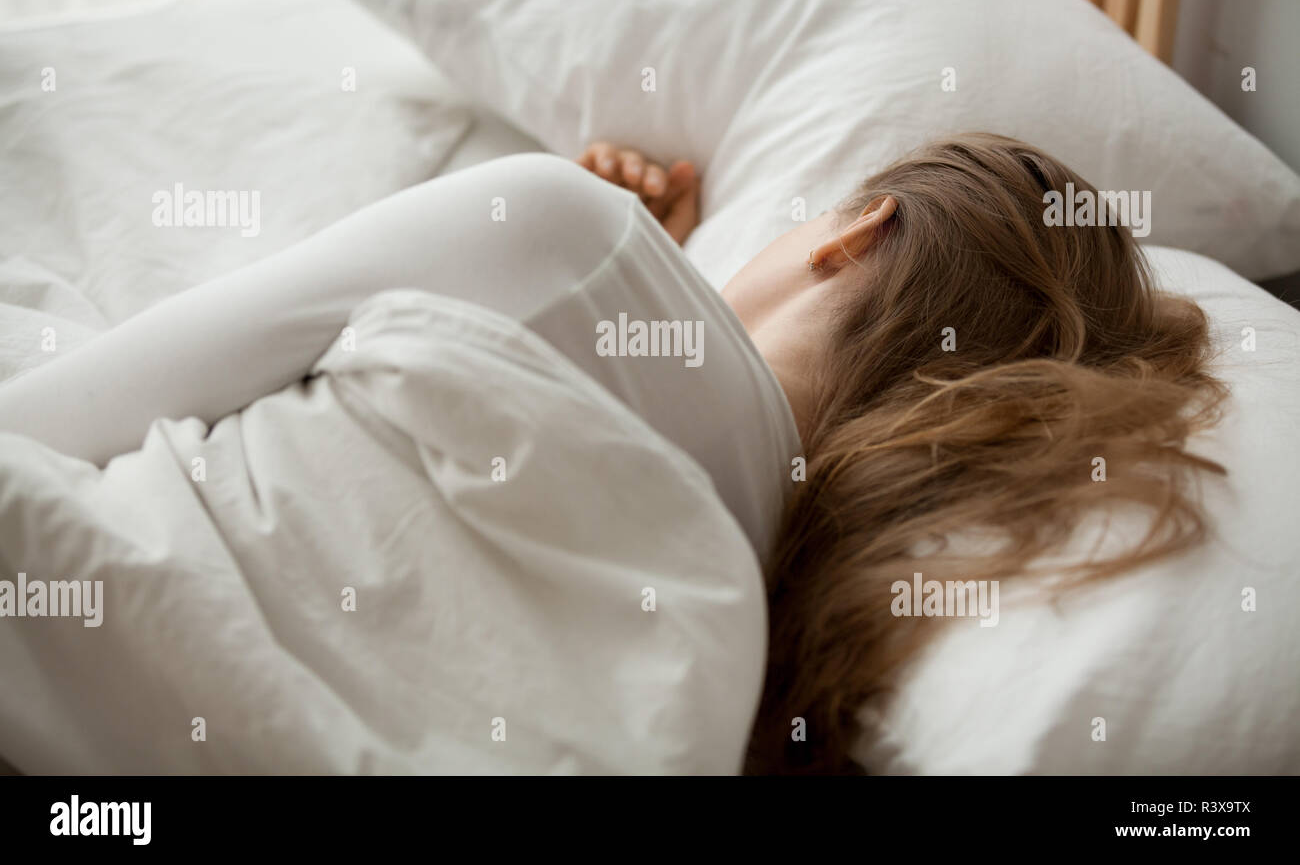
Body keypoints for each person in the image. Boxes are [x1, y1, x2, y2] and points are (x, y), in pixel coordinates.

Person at [0, 133, 1226, 773]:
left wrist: (596, 244)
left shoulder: (560, 228)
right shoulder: (761, 623)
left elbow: (65, 413)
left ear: (855, 233)